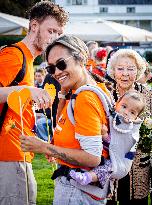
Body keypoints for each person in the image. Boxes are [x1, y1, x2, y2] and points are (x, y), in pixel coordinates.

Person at [20, 35, 115, 205]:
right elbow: (61, 126)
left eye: (61, 64)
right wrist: (63, 94)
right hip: (82, 189)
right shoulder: (87, 89)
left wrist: (44, 147)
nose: (56, 72)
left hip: (77, 190)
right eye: (51, 69)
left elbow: (92, 158)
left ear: (80, 58)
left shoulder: (85, 98)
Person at [0, 1, 68, 204]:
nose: (54, 38)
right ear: (34, 26)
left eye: (59, 33)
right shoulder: (13, 55)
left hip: (20, 152)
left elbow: (14, 103)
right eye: (51, 30)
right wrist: (27, 90)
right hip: (8, 154)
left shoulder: (29, 60)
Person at [106, 49, 152, 205]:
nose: (125, 73)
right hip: (110, 166)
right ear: (113, 70)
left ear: (138, 71)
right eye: (120, 68)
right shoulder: (106, 93)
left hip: (139, 166)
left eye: (131, 69)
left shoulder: (150, 93)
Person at [69, 90, 145, 188]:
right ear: (117, 104)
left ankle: (87, 177)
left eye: (132, 112)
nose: (126, 112)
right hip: (103, 154)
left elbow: (119, 145)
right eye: (124, 106)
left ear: (136, 117)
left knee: (107, 168)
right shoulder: (113, 116)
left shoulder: (129, 128)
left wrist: (105, 135)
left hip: (119, 162)